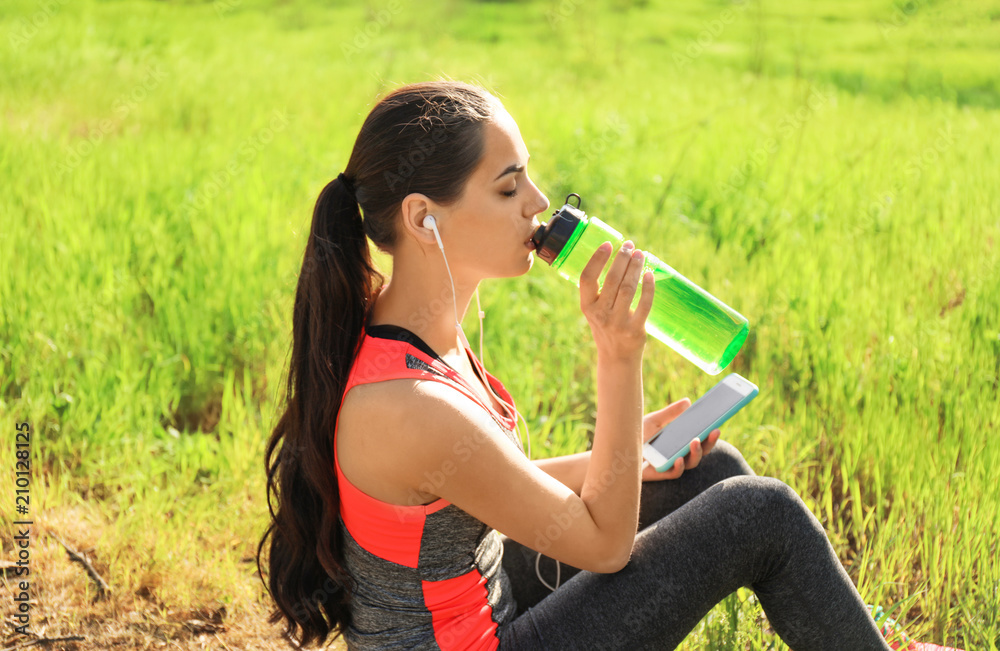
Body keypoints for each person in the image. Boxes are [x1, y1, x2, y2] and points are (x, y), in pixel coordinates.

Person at [257, 80, 894, 650]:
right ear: (425, 218)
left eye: (529, 177)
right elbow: (605, 546)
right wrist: (619, 355)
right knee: (759, 513)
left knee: (712, 472)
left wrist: (618, 456)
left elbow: (470, 483)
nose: (538, 202)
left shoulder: (404, 329)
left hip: (486, 595)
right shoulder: (411, 406)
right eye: (508, 187)